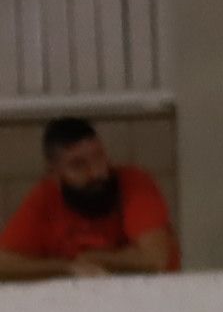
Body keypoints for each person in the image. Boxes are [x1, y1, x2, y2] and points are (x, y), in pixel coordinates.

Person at [0, 118, 177, 280]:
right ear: (54, 174)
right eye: (78, 165)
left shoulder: (134, 183)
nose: (97, 172)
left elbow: (155, 259)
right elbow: (4, 265)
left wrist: (91, 258)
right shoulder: (45, 198)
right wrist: (66, 267)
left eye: (99, 157)